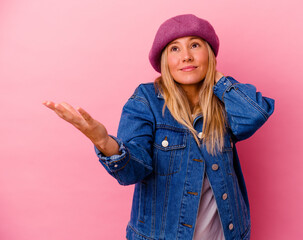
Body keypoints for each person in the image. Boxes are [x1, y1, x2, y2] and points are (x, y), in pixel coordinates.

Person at [43, 14, 274, 240]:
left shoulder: (223, 101)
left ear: (210, 54)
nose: (186, 56)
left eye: (195, 45)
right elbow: (134, 168)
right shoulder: (146, 100)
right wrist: (105, 143)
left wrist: (218, 80)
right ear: (165, 61)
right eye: (174, 49)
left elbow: (254, 115)